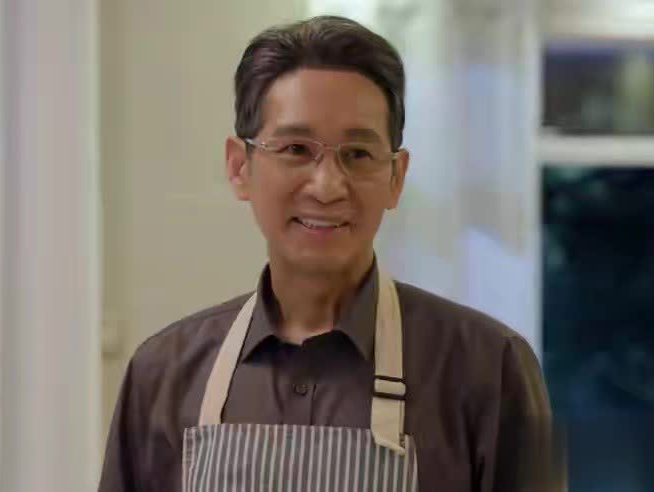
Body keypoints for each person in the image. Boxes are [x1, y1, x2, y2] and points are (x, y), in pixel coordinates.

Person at [98, 15, 557, 491]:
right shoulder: (163, 374)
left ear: (396, 177)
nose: (327, 186)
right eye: (296, 148)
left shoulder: (489, 369)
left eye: (357, 154)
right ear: (239, 167)